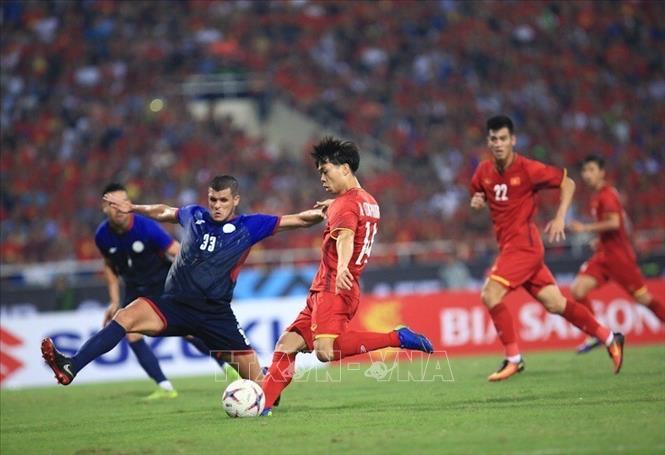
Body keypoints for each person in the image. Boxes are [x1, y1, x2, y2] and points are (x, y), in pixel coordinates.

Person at [41, 175, 327, 386]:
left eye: (223, 200)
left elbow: (299, 220)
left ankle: (268, 387)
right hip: (173, 304)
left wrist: (328, 212)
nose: (217, 206)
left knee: (266, 388)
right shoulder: (195, 216)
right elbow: (165, 211)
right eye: (213, 199)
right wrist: (135, 208)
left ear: (235, 201)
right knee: (125, 317)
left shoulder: (250, 225)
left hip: (215, 314)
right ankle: (71, 365)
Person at [260, 137, 433, 416]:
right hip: (325, 289)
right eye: (319, 173)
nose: (322, 178)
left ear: (345, 168)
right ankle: (263, 405)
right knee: (287, 344)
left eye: (325, 171)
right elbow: (352, 216)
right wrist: (334, 206)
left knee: (324, 352)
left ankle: (397, 337)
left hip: (335, 287)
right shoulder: (368, 201)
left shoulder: (344, 205)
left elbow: (346, 237)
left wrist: (342, 267)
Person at [469, 115, 624, 382]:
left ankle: (514, 359)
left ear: (513, 140)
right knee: (556, 304)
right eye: (493, 139)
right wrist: (478, 200)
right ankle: (609, 336)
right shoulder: (483, 171)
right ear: (488, 141)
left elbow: (568, 182)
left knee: (490, 294)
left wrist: (561, 216)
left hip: (524, 247)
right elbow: (479, 193)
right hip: (510, 246)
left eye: (503, 138)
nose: (498, 143)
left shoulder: (528, 168)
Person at [94, 183, 238, 400]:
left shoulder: (145, 227)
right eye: (114, 205)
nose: (120, 209)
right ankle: (165, 387)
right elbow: (109, 267)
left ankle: (230, 369)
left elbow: (176, 250)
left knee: (190, 331)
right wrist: (114, 301)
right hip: (134, 289)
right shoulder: (102, 236)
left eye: (124, 203)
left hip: (163, 285)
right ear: (105, 208)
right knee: (131, 335)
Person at [568, 155, 665, 353]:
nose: (587, 175)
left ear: (602, 172)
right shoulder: (597, 196)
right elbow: (623, 224)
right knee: (578, 290)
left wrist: (586, 228)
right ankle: (596, 333)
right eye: (585, 171)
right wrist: (601, 239)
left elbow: (615, 223)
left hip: (619, 259)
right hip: (604, 256)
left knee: (644, 299)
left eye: (591, 170)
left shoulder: (606, 195)